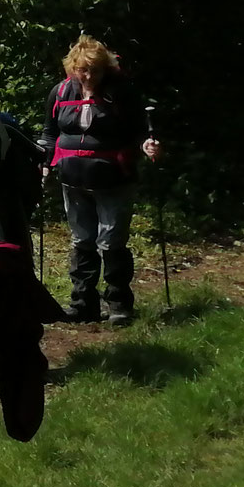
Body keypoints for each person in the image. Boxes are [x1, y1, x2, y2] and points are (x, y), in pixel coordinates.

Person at [43, 35, 161, 326]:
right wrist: (43, 162)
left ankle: (119, 304)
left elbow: (140, 131)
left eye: (94, 69)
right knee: (82, 240)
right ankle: (82, 304)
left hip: (114, 178)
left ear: (105, 68)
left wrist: (148, 145)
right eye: (83, 69)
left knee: (111, 242)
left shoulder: (121, 93)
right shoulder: (60, 92)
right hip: (72, 178)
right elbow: (49, 133)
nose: (88, 75)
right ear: (73, 67)